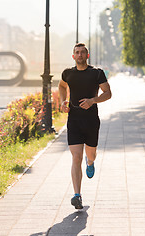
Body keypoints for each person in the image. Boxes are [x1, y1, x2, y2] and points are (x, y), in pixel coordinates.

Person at [59, 43, 112, 209]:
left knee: (91, 155)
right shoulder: (67, 73)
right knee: (76, 157)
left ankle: (90, 163)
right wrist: (62, 101)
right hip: (73, 120)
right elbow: (61, 86)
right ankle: (77, 195)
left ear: (87, 56)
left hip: (91, 121)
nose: (80, 55)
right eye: (77, 52)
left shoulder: (96, 73)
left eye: (82, 52)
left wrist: (92, 101)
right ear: (73, 56)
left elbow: (108, 93)